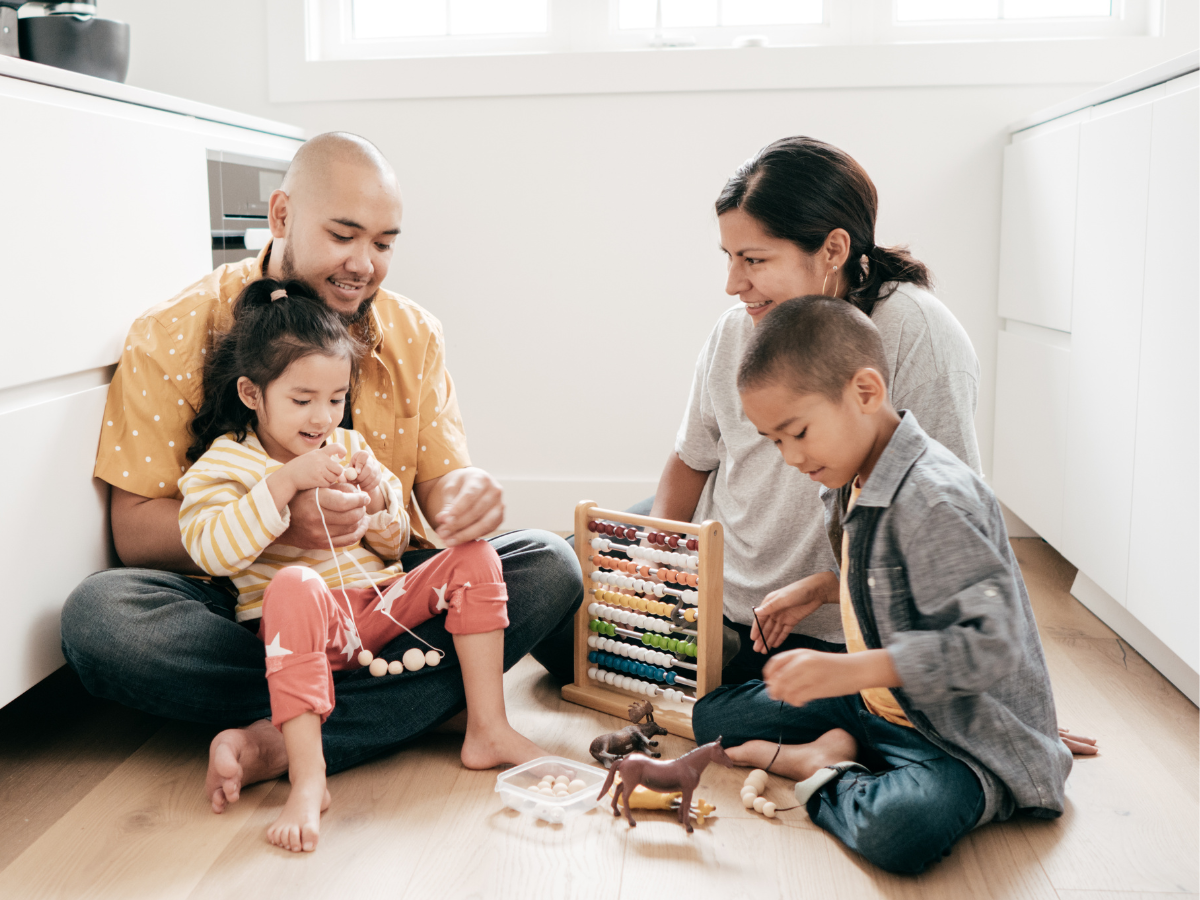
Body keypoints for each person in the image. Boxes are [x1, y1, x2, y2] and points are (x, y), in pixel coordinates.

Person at [60, 132, 580, 813]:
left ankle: (285, 739)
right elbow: (133, 532)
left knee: (549, 562)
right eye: (343, 235)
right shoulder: (173, 330)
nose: (364, 263)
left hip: (380, 603)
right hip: (242, 604)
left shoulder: (414, 332)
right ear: (280, 217)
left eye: (385, 243)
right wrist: (279, 523)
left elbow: (435, 492)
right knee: (102, 622)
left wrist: (465, 496)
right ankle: (413, 708)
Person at [691, 296, 1073, 874]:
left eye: (797, 432)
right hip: (875, 703)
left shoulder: (938, 499)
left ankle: (823, 773)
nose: (791, 457)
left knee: (902, 828)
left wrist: (852, 669)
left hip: (954, 736)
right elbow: (893, 579)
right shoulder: (852, 474)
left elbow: (993, 645)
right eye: (774, 441)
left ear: (866, 392)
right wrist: (821, 588)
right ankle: (839, 746)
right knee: (713, 719)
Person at [180, 277, 543, 852]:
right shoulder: (222, 465)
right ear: (252, 393)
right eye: (302, 400)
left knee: (476, 554)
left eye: (335, 399)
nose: (323, 418)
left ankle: (487, 728)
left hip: (379, 613)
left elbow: (396, 545)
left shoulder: (349, 448)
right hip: (298, 634)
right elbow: (209, 548)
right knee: (294, 582)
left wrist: (378, 503)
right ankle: (308, 777)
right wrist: (282, 485)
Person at [645, 136, 984, 684]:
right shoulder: (738, 327)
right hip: (721, 586)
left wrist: (978, 691)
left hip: (823, 627)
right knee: (566, 583)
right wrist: (655, 563)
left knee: (756, 707)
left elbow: (957, 527)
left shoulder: (917, 334)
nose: (734, 285)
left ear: (832, 251)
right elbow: (694, 457)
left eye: (754, 260)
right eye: (730, 258)